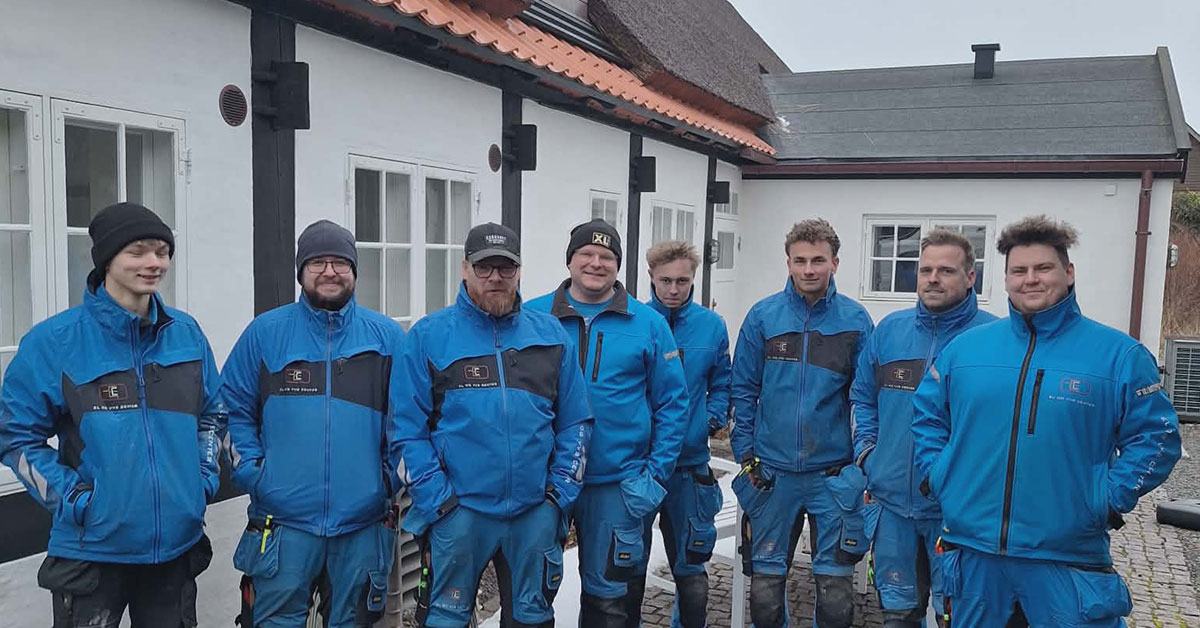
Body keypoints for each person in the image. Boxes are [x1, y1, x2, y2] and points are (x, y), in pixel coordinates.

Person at [912, 215, 1182, 627]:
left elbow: (1157, 438)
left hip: (1066, 558)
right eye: (1019, 270)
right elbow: (928, 417)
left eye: (1043, 268)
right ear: (1004, 280)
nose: (1030, 279)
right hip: (974, 553)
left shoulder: (1118, 356)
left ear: (1068, 273)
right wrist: (939, 475)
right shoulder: (964, 351)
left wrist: (1106, 499)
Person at [0, 202, 223, 627]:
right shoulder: (55, 342)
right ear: (107, 259)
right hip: (92, 552)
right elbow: (16, 439)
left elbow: (213, 414)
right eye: (138, 251)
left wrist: (203, 478)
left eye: (162, 251)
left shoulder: (187, 334)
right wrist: (77, 499)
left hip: (175, 548)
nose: (154, 263)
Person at [392, 222, 593, 628]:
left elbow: (577, 423)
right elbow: (405, 432)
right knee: (445, 620)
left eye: (506, 267)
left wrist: (557, 498)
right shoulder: (429, 337)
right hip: (459, 513)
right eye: (485, 268)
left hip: (534, 512)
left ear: (519, 271)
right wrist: (442, 505)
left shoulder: (550, 335)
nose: (496, 278)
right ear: (465, 269)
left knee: (532, 620)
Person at [221, 219, 406, 627]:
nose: (329, 272)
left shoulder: (387, 338)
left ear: (355, 271)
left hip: (362, 526)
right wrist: (255, 474)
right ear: (301, 271)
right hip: (283, 528)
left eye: (340, 263)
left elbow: (409, 419)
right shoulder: (265, 334)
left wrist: (388, 479)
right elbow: (230, 408)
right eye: (317, 262)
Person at [527, 219, 689, 628]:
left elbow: (673, 404)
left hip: (617, 485)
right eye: (587, 254)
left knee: (612, 602)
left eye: (607, 256)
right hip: (544, 484)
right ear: (570, 260)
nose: (596, 263)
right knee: (532, 594)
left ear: (618, 265)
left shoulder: (647, 324)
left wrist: (654, 475)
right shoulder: (532, 317)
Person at [730, 218, 874, 628]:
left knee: (835, 596)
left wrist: (860, 460)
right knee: (765, 591)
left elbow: (864, 398)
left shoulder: (856, 321)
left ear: (835, 263)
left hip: (831, 475)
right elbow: (742, 390)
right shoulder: (763, 317)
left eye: (818, 260)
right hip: (772, 475)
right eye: (800, 261)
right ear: (788, 262)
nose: (809, 269)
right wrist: (746, 457)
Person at [849, 229, 996, 627]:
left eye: (945, 270)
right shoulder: (889, 331)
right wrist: (867, 452)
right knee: (897, 616)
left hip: (958, 513)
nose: (932, 278)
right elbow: (862, 398)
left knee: (957, 617)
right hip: (891, 505)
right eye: (925, 269)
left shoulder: (993, 339)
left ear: (971, 277)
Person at [643, 240, 732, 628]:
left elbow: (724, 383)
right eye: (665, 280)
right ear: (650, 277)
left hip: (690, 469)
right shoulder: (636, 322)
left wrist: (709, 422)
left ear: (694, 278)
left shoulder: (711, 326)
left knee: (692, 574)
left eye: (682, 280)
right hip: (639, 468)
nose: (674, 289)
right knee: (623, 570)